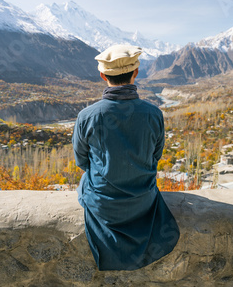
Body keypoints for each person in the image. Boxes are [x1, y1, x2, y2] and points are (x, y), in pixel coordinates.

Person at [72, 45, 180, 271]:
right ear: (136, 73)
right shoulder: (153, 113)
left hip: (103, 204)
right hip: (143, 201)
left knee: (85, 182)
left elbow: (82, 161)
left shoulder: (87, 116)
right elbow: (155, 156)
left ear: (103, 76)